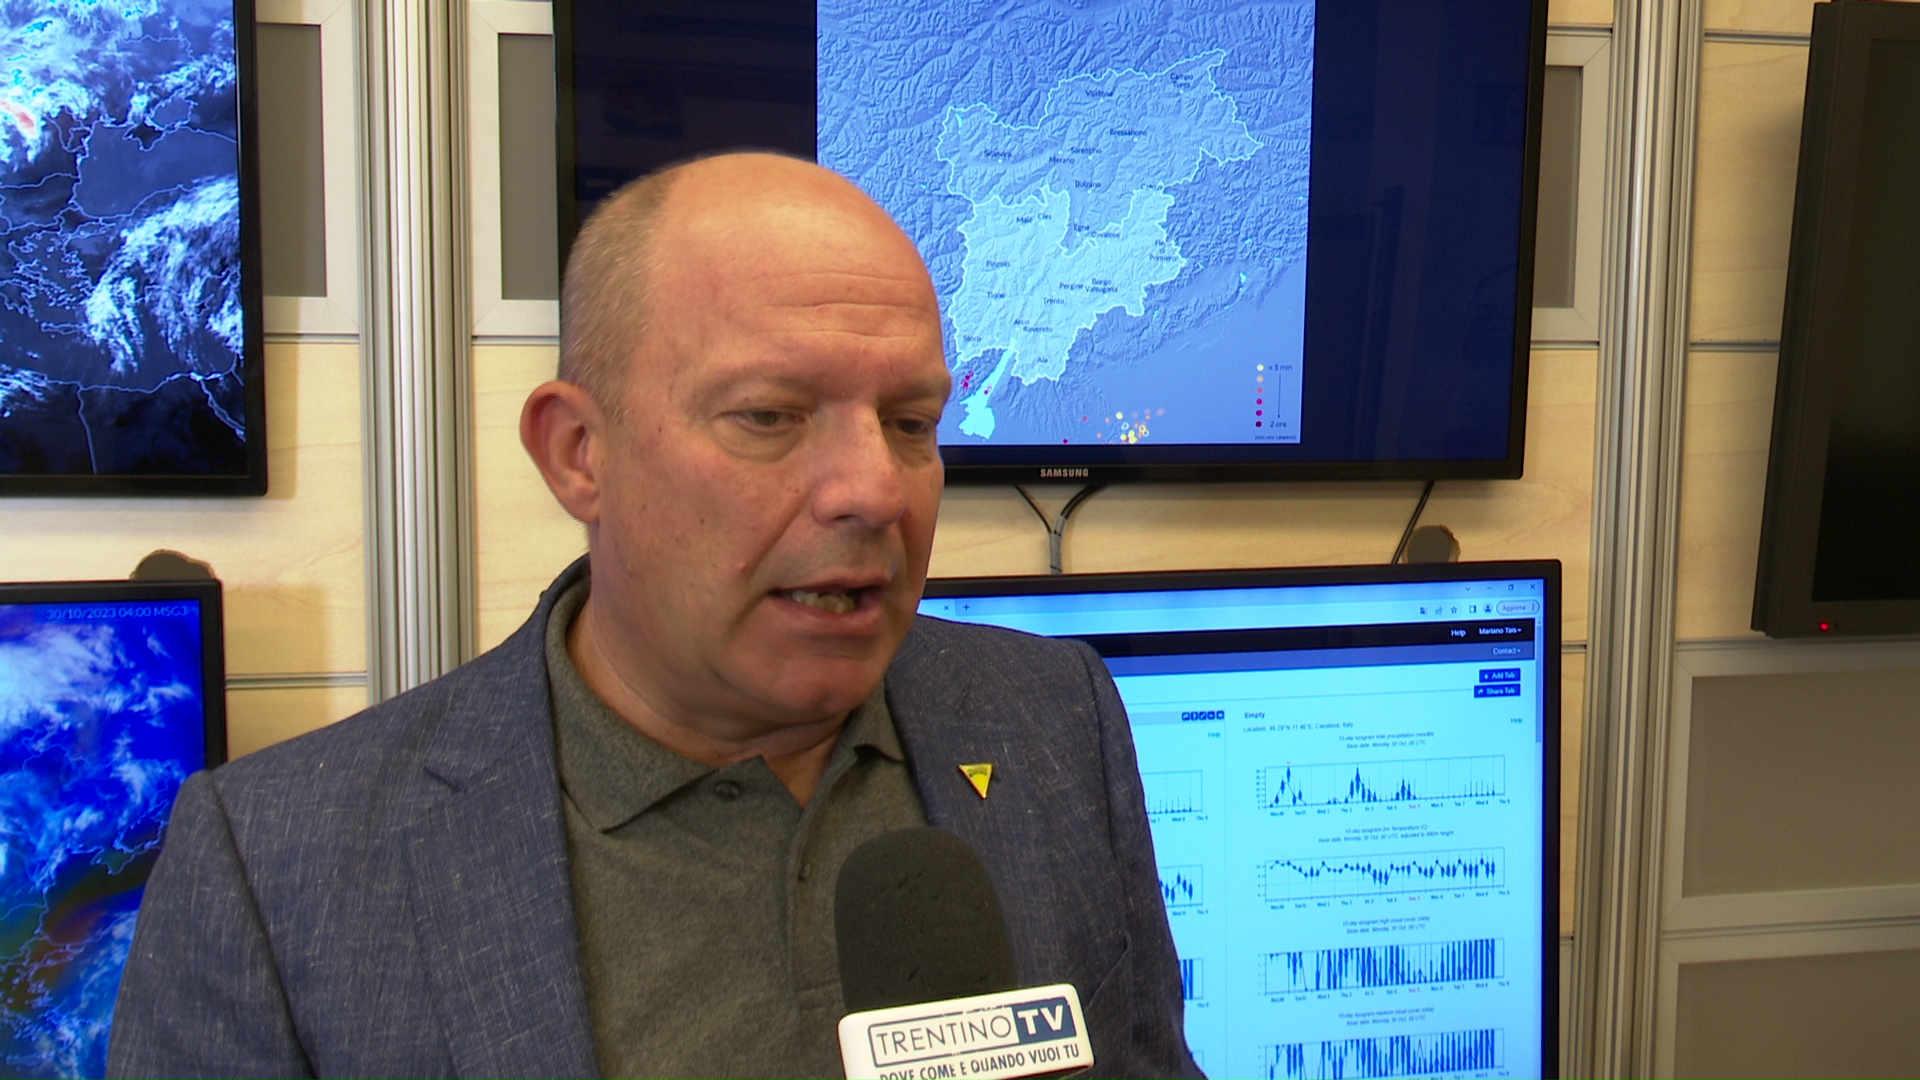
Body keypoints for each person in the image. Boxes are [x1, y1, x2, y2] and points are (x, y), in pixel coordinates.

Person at [107, 153, 1201, 1080]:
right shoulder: (275, 872)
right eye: (770, 416)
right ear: (579, 454)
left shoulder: (1053, 721)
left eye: (911, 422)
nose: (875, 490)